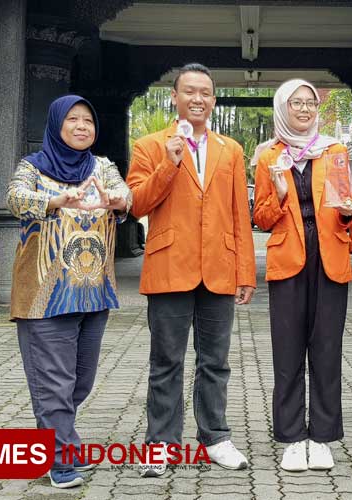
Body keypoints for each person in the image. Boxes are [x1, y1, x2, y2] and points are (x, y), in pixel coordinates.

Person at [126, 63, 256, 475]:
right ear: (174, 97)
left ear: (213, 100)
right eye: (189, 92)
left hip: (218, 266)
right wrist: (169, 163)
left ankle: (215, 437)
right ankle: (160, 445)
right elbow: (136, 204)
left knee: (215, 360)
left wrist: (246, 272)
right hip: (170, 265)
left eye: (205, 92)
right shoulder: (150, 145)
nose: (197, 98)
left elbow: (240, 213)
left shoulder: (230, 150)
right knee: (166, 360)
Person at [6, 95, 131, 488]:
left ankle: (54, 437)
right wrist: (53, 200)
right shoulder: (33, 168)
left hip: (93, 293)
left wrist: (118, 199)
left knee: (80, 381)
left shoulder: (102, 167)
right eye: (73, 120)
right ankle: (61, 460)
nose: (82, 127)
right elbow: (14, 198)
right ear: (57, 125)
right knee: (54, 383)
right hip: (44, 296)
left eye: (88, 121)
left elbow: (125, 195)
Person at [252, 79, 352, 472]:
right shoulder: (268, 157)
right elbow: (260, 218)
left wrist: (349, 211)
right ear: (283, 107)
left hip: (329, 253)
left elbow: (347, 212)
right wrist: (278, 191)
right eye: (296, 103)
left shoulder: (334, 150)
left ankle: (323, 437)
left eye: (310, 102)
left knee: (327, 348)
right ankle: (292, 436)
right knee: (288, 349)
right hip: (288, 257)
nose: (305, 109)